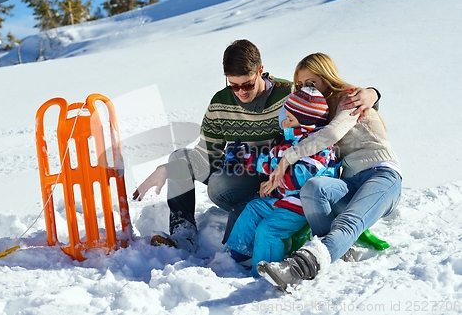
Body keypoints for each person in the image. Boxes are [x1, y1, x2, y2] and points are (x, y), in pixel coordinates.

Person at [132, 40, 379, 252]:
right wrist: (168, 169)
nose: (240, 91)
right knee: (179, 158)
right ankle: (182, 235)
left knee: (220, 185)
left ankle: (264, 214)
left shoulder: (290, 94)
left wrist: (372, 94)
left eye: (247, 84)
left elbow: (330, 105)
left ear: (261, 71)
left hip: (281, 176)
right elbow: (206, 154)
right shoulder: (221, 103)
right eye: (233, 85)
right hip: (244, 167)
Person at [256, 53, 402, 293]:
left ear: (327, 77)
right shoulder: (318, 110)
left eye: (312, 82)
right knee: (314, 187)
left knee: (348, 221)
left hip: (382, 175)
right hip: (350, 180)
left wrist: (287, 159)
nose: (306, 89)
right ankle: (338, 251)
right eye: (301, 85)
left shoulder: (349, 98)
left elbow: (331, 135)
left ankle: (297, 269)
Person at [224, 84, 339, 277]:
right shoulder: (286, 143)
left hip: (301, 205)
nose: (284, 123)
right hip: (283, 201)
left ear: (306, 123)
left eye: (290, 119)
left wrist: (275, 182)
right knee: (252, 208)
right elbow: (269, 163)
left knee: (268, 230)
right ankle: (238, 253)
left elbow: (302, 176)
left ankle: (265, 272)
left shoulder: (319, 147)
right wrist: (244, 158)